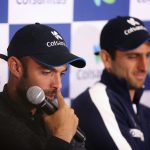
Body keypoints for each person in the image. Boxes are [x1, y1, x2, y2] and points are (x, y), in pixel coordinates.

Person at [0, 23, 86, 150]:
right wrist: (62, 136)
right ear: (16, 67)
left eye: (61, 74)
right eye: (46, 72)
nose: (58, 85)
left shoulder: (57, 115)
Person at [72, 16, 150, 150]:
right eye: (132, 56)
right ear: (106, 58)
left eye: (147, 55)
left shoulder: (145, 112)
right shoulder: (94, 101)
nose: (144, 67)